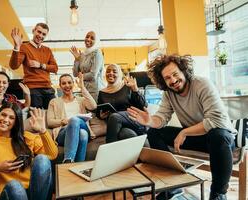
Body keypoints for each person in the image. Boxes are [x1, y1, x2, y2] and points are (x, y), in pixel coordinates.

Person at [127, 54, 235, 200]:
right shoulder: (168, 93)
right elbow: (162, 117)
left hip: (220, 139)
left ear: (184, 71)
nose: (173, 80)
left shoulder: (202, 84)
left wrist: (184, 132)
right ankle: (173, 185)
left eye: (175, 74)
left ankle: (218, 193)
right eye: (167, 78)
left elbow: (216, 121)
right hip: (194, 138)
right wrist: (150, 121)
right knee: (153, 132)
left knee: (218, 135)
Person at [47, 73, 97, 163]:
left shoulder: (81, 100)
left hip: (82, 126)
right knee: (82, 133)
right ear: (60, 86)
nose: (67, 85)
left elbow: (93, 106)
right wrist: (64, 121)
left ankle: (68, 161)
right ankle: (78, 166)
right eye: (64, 83)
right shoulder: (54, 101)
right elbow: (50, 122)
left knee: (78, 125)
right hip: (63, 133)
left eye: (69, 82)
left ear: (73, 84)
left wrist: (82, 87)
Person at [9, 23, 58, 109]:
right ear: (33, 31)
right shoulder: (24, 47)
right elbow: (14, 66)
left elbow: (55, 68)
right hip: (32, 89)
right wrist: (17, 47)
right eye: (39, 32)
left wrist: (41, 65)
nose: (40, 35)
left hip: (48, 88)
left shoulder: (47, 50)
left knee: (53, 114)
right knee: (35, 116)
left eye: (43, 34)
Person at [97, 64, 148, 145]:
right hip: (118, 125)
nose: (111, 73)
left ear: (120, 74)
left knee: (114, 116)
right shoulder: (102, 93)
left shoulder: (127, 86)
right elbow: (100, 111)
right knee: (127, 134)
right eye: (108, 71)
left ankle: (109, 152)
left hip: (133, 119)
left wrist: (135, 89)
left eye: (114, 71)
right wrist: (101, 116)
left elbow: (143, 105)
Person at [70, 31, 104, 101]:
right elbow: (75, 74)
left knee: (94, 110)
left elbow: (93, 75)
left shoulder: (97, 53)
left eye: (92, 38)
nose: (88, 39)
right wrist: (77, 59)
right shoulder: (83, 54)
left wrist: (81, 76)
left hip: (95, 91)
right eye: (87, 37)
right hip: (84, 89)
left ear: (96, 41)